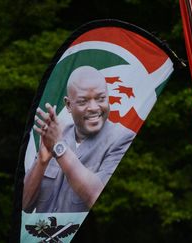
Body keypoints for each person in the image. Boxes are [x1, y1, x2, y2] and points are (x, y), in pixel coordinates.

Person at [22, 66, 135, 213]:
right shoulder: (57, 135)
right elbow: (25, 203)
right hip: (40, 233)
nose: (94, 107)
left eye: (101, 98)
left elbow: (96, 196)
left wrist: (59, 148)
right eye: (83, 101)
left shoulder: (122, 139)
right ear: (69, 105)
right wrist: (41, 161)